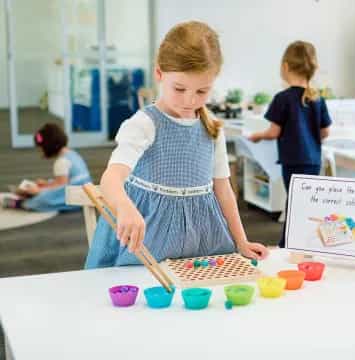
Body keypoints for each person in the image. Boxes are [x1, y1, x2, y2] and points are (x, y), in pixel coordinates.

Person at [85, 21, 268, 268]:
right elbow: (111, 178)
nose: (190, 100)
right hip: (149, 242)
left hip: (204, 241)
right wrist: (125, 207)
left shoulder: (212, 127)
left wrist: (241, 241)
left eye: (202, 91)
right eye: (179, 89)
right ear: (159, 74)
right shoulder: (144, 124)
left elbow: (223, 191)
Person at [248, 40, 332, 247]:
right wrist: (309, 136)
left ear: (285, 67)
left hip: (293, 161)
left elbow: (273, 132)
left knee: (294, 203)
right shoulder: (317, 99)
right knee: (306, 202)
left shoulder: (282, 99)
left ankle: (288, 243)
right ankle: (307, 242)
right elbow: (325, 132)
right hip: (312, 161)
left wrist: (257, 136)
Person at [2, 123, 91, 211]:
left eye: (41, 149)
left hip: (75, 196)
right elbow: (63, 182)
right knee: (44, 191)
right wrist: (47, 184)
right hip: (86, 192)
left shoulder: (61, 162)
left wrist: (39, 190)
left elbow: (61, 187)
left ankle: (23, 203)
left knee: (42, 199)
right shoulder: (72, 154)